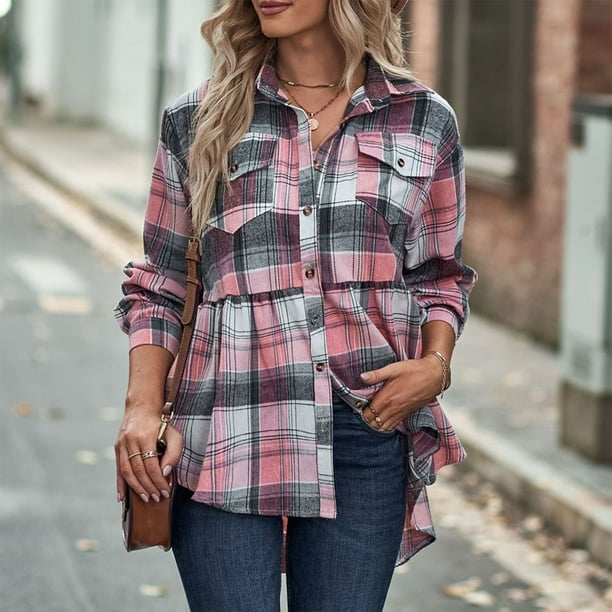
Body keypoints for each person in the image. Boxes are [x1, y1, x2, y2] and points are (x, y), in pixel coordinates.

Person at [114, 0, 477, 610]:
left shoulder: (423, 121)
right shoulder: (198, 119)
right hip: (227, 432)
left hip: (365, 429)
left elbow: (440, 275)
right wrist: (141, 409)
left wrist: (435, 365)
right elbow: (161, 279)